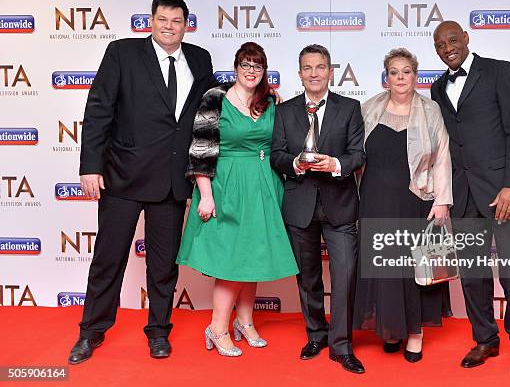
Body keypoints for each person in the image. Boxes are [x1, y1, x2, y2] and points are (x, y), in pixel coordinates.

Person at [68, 0, 217, 364]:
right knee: (108, 258)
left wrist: (259, 100)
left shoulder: (200, 59)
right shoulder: (122, 53)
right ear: (150, 21)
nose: (169, 27)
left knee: (164, 265)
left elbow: (211, 110)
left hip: (171, 181)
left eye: (177, 21)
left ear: (187, 24)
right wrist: (90, 165)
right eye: (162, 20)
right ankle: (91, 331)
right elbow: (99, 109)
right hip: (122, 176)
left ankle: (158, 332)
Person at [176, 42, 298, 357]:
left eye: (257, 66)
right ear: (235, 67)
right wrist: (205, 195)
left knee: (252, 257)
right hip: (226, 185)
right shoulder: (215, 99)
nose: (251, 71)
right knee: (231, 262)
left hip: (264, 185)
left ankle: (245, 321)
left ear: (264, 70)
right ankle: (217, 328)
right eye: (245, 64)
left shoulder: (270, 101)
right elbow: (200, 148)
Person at [430, 20, 510, 381]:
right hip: (463, 195)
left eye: (453, 40)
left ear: (466, 39)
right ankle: (485, 339)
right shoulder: (437, 88)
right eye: (440, 44)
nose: (447, 48)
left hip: (502, 193)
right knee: (473, 275)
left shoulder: (499, 72)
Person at [271, 44, 366, 374]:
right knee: (308, 278)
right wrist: (295, 164)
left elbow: (358, 154)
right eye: (307, 68)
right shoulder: (284, 112)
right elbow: (276, 155)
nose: (314, 73)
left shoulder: (350, 108)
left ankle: (341, 345)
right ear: (299, 74)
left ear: (330, 71)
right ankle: (316, 334)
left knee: (345, 276)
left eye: (321, 67)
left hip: (339, 205)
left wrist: (336, 163)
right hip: (300, 206)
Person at [353, 48, 453, 363]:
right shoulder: (368, 108)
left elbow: (443, 157)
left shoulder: (431, 110)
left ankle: (414, 333)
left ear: (415, 76)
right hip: (374, 201)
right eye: (394, 72)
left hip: (415, 200)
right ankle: (390, 328)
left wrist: (442, 200)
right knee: (383, 267)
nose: (400, 77)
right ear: (387, 78)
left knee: (412, 269)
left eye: (406, 71)